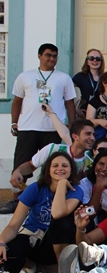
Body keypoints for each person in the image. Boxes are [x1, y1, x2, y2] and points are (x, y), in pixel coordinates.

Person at [4, 43, 77, 214]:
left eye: (54, 56)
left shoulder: (64, 78)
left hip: (53, 129)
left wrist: (72, 125)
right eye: (48, 55)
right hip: (28, 127)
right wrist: (14, 123)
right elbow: (17, 101)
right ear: (39, 56)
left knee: (50, 166)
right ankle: (18, 200)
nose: (51, 59)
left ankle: (49, 198)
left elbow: (69, 103)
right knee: (22, 163)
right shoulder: (25, 76)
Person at [0, 152, 83, 273]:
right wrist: (1, 242)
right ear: (48, 170)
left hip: (55, 243)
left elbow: (57, 213)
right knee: (7, 252)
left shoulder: (76, 190)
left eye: (65, 166)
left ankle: (64, 271)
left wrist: (62, 185)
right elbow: (14, 225)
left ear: (71, 170)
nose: (60, 168)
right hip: (33, 237)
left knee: (60, 222)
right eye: (55, 165)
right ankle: (32, 268)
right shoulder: (36, 188)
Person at [11, 118, 95, 188]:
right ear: (75, 136)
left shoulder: (91, 161)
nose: (92, 138)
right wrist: (18, 171)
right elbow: (31, 165)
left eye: (93, 134)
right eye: (88, 134)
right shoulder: (53, 149)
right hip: (46, 198)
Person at [73, 49, 105, 113]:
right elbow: (66, 91)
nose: (95, 60)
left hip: (100, 112)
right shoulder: (80, 76)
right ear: (87, 62)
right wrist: (75, 110)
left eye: (98, 59)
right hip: (84, 112)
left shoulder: (105, 77)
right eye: (91, 58)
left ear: (101, 61)